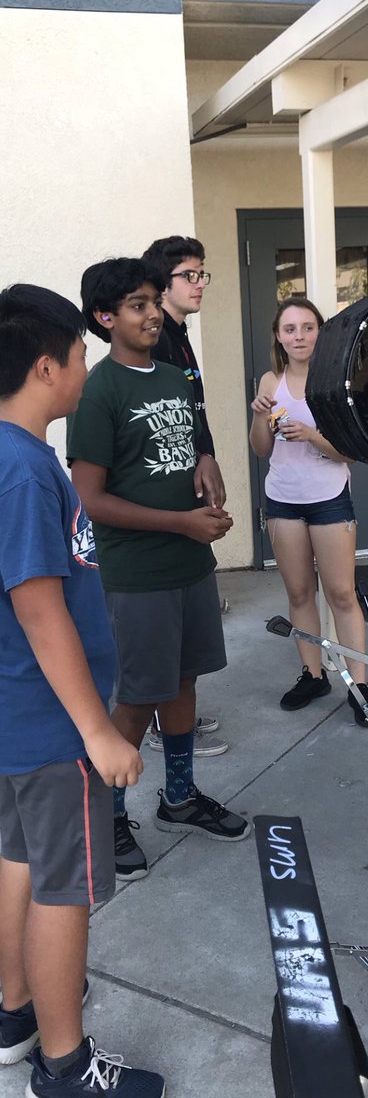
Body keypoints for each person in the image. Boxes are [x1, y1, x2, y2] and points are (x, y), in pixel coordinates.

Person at [0, 284, 164, 1096]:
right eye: (77, 353)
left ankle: (13, 1012)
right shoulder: (26, 469)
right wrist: (99, 732)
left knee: (17, 859)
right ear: (45, 366)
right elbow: (37, 606)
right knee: (66, 891)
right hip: (52, 723)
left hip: (13, 717)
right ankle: (64, 1066)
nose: (85, 367)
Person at [67, 257, 249, 883]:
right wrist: (180, 524)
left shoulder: (174, 377)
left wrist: (208, 465)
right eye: (137, 306)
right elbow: (89, 498)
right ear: (105, 318)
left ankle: (178, 798)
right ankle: (108, 814)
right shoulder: (99, 389)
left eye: (152, 302)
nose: (150, 315)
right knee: (136, 697)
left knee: (182, 683)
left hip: (189, 563)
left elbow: (197, 441)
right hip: (137, 571)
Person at [249, 297, 368, 725]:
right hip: (283, 498)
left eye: (307, 327)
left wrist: (310, 434)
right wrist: (257, 417)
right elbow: (262, 449)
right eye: (290, 329)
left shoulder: (338, 382)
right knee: (300, 593)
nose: (299, 336)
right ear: (279, 337)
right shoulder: (271, 381)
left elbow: (351, 454)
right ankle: (312, 673)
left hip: (329, 498)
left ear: (320, 333)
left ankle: (360, 686)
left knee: (341, 593)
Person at [142, 234, 227, 758]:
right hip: (166, 495)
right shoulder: (159, 338)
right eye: (189, 276)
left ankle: (179, 712)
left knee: (188, 618)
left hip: (191, 474)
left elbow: (194, 408)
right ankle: (164, 723)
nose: (199, 284)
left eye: (202, 274)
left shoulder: (180, 333)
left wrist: (209, 454)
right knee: (164, 622)